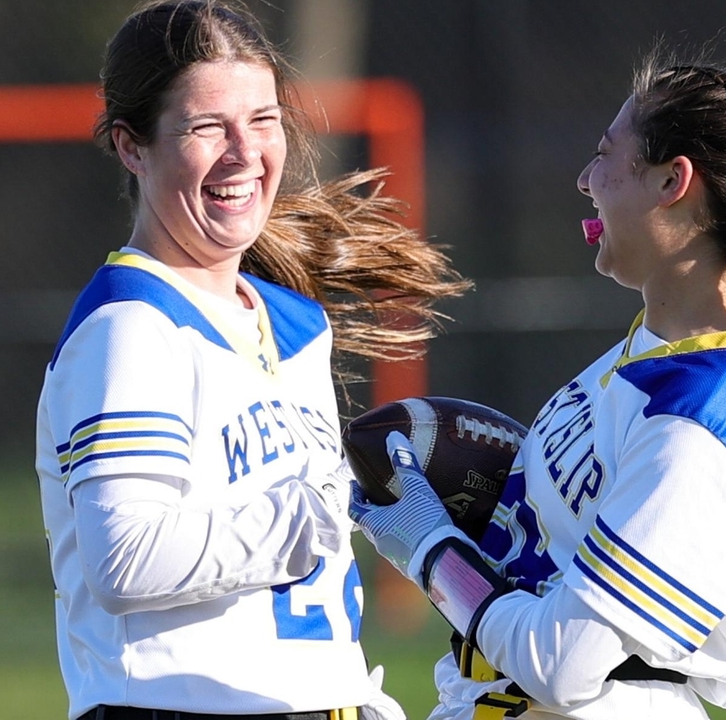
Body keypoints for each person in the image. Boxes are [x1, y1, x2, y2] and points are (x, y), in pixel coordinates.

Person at [351, 50, 726, 719]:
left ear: (671, 182)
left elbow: (563, 662)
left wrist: (429, 549)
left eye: (605, 156)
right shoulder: (659, 351)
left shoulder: (705, 424)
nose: (586, 180)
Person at [34, 2, 469, 719]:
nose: (244, 153)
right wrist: (325, 510)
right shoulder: (133, 326)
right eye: (206, 126)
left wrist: (347, 689)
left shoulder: (293, 323)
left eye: (262, 120)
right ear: (130, 146)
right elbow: (125, 561)